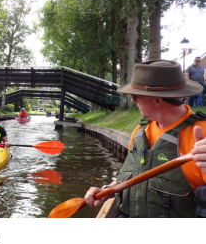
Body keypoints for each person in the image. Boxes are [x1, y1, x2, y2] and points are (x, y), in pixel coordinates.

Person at [84, 60, 206, 218]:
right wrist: (108, 189)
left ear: (157, 100)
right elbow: (132, 174)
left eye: (136, 96)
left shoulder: (201, 134)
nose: (133, 100)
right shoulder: (141, 129)